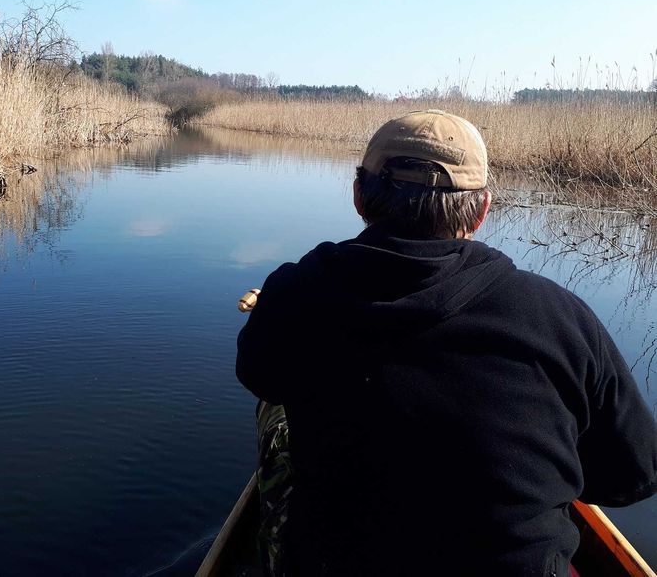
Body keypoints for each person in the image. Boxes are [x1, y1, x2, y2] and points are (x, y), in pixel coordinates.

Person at [236, 110, 657, 576]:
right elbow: (633, 478)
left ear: (358, 196)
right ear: (481, 211)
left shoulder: (294, 292)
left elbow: (259, 375)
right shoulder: (561, 317)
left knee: (275, 419)